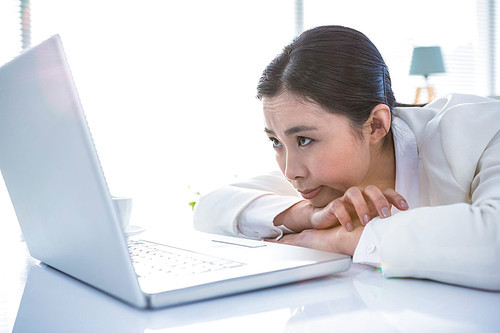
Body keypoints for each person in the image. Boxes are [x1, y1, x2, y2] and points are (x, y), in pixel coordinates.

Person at [193, 25, 500, 290]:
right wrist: (304, 216)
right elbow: (209, 208)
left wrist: (340, 240)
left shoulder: (481, 132)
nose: (290, 171)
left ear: (376, 125)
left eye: (304, 140)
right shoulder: (320, 183)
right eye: (276, 142)